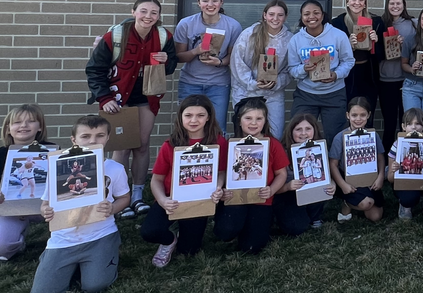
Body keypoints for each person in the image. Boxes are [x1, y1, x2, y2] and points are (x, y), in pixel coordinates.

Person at [85, 0, 178, 218]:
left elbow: (171, 66)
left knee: (142, 144)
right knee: (122, 146)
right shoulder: (116, 35)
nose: (148, 16)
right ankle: (119, 196)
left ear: (159, 16)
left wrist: (167, 60)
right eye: (143, 11)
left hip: (147, 96)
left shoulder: (163, 36)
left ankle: (137, 195)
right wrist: (104, 98)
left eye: (154, 12)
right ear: (133, 11)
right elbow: (95, 69)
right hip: (118, 96)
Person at [31, 116, 129, 293]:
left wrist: (113, 208)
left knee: (95, 285)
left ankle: (91, 264)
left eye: (100, 135)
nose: (92, 141)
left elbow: (124, 198)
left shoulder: (115, 168)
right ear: (74, 140)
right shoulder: (58, 167)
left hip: (101, 235)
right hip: (63, 239)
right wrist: (45, 211)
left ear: (108, 138)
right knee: (43, 290)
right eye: (85, 136)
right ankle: (61, 264)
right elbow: (45, 203)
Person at [142, 95, 227, 267]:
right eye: (188, 115)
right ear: (181, 117)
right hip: (172, 198)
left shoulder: (218, 142)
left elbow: (221, 172)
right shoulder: (170, 144)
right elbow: (156, 179)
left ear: (208, 117)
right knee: (149, 232)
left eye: (200, 115)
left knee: (188, 251)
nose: (194, 120)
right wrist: (163, 200)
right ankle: (169, 240)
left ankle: (185, 233)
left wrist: (218, 187)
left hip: (199, 200)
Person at [214, 98, 288, 254]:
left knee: (252, 248)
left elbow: (282, 173)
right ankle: (235, 225)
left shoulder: (273, 144)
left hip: (262, 199)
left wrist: (271, 190)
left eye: (259, 118)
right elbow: (223, 172)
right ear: (239, 120)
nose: (253, 123)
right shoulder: (230, 144)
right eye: (248, 118)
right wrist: (223, 190)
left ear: (265, 121)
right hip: (235, 197)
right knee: (225, 232)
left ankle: (259, 225)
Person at [173, 0, 243, 134]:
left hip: (219, 84)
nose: (210, 5)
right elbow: (178, 57)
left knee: (217, 129)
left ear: (221, 2)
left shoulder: (233, 26)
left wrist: (220, 62)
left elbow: (233, 57)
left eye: (214, 0)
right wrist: (196, 51)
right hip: (190, 83)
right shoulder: (186, 24)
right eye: (205, 0)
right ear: (198, 3)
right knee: (187, 129)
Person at [287, 0, 355, 147]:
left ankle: (333, 162)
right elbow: (292, 69)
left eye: (316, 13)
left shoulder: (338, 35)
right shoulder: (296, 40)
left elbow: (348, 61)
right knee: (300, 134)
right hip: (306, 94)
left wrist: (336, 74)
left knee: (335, 136)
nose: (312, 17)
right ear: (301, 17)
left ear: (323, 15)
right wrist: (303, 69)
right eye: (307, 14)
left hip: (334, 94)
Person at [230, 0, 292, 139]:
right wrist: (253, 83)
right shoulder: (249, 34)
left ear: (285, 17)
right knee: (247, 135)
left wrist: (277, 83)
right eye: (271, 14)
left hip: (273, 94)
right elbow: (237, 62)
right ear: (264, 15)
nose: (275, 19)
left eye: (280, 15)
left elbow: (289, 69)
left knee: (274, 135)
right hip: (246, 92)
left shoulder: (289, 39)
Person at [0, 104, 51, 261]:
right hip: (10, 208)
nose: (23, 125)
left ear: (40, 127)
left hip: (45, 207)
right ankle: (18, 240)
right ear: (8, 129)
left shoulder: (52, 151)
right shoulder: (0, 154)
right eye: (17, 122)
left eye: (31, 121)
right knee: (2, 248)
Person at [329, 0, 386, 121]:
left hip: (369, 73)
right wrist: (347, 45)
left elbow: (382, 55)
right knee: (349, 112)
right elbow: (332, 53)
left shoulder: (376, 22)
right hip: (347, 74)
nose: (357, 3)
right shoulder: (337, 23)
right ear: (347, 2)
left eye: (361, 0)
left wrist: (376, 42)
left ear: (365, 3)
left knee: (368, 111)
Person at [274, 113, 335, 236]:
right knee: (295, 228)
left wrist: (332, 183)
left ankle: (315, 216)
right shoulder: (281, 150)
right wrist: (288, 186)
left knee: (319, 183)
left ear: (314, 130)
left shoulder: (319, 148)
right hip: (286, 193)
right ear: (291, 131)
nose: (303, 133)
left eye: (308, 129)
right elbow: (273, 186)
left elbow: (326, 173)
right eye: (298, 129)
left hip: (310, 186)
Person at [328, 97, 386, 223]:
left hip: (370, 178)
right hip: (348, 180)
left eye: (362, 115)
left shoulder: (373, 135)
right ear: (347, 115)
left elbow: (380, 157)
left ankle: (360, 200)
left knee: (376, 216)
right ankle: (347, 203)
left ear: (368, 115)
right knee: (366, 203)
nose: (358, 119)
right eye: (354, 115)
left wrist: (381, 177)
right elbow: (333, 164)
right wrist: (343, 185)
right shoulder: (340, 137)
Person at [388, 108, 423, 225]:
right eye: (409, 124)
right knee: (409, 199)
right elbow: (390, 178)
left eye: (417, 123)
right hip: (405, 182)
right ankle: (405, 205)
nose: (414, 127)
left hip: (422, 177)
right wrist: (394, 170)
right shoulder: (397, 144)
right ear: (403, 127)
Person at [379, 0, 416, 150]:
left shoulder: (413, 23)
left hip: (407, 79)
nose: (395, 6)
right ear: (387, 5)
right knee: (389, 122)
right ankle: (388, 158)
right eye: (392, 3)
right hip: (386, 79)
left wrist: (404, 45)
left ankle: (406, 155)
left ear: (404, 5)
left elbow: (418, 48)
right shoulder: (380, 23)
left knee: (406, 121)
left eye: (398, 3)